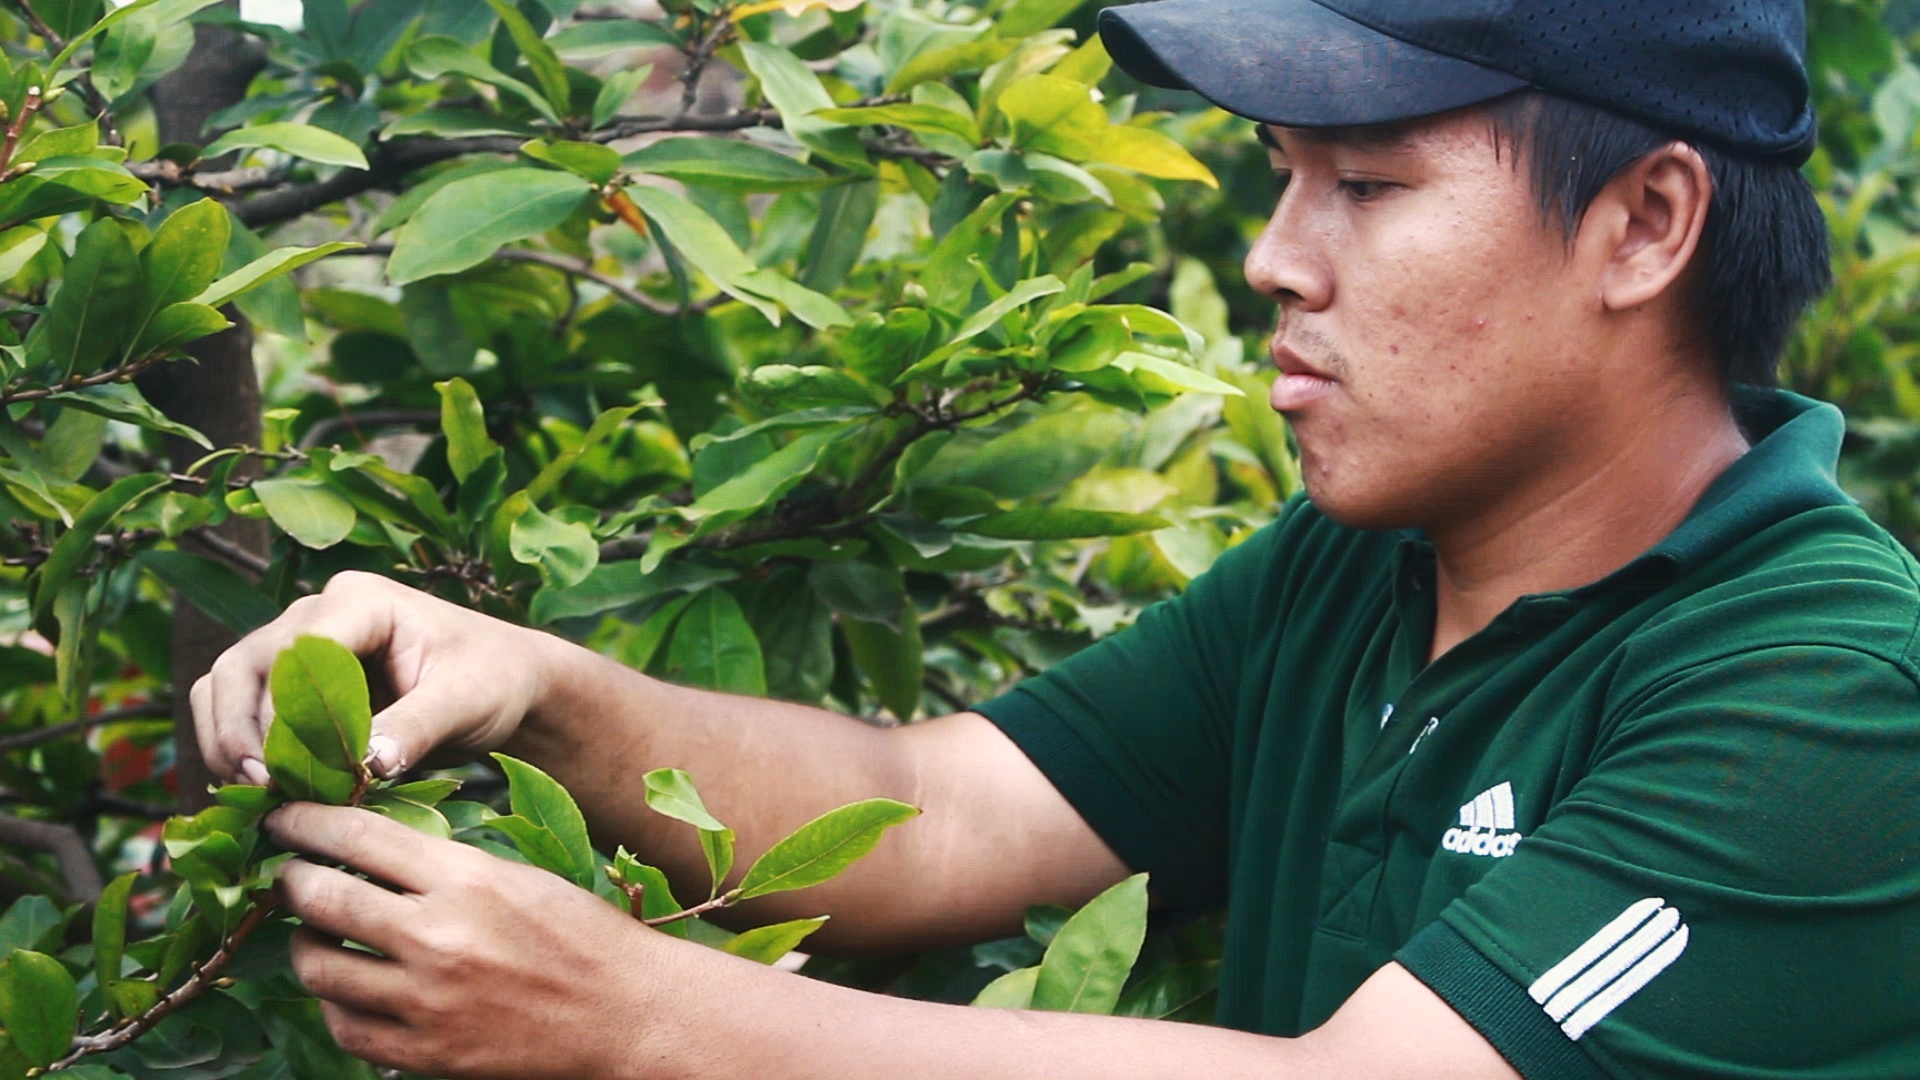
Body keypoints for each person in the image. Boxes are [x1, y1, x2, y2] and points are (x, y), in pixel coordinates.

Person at [192, 0, 1920, 1076]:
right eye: (1282, 175)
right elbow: (944, 810)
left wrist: (636, 1015)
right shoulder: (1364, 567)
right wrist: (534, 687)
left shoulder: (1827, 692)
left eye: (1368, 185)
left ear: (1646, 223)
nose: (1276, 256)